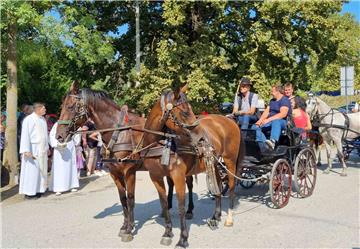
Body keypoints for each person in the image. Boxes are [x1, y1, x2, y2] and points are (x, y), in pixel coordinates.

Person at [19, 102, 49, 199]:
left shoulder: (43, 119)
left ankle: (39, 189)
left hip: (42, 149)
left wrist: (47, 147)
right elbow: (25, 135)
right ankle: (29, 192)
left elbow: (45, 135)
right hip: (32, 148)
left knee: (41, 171)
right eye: (43, 108)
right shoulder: (28, 119)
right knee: (32, 171)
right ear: (37, 109)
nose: (45, 110)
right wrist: (26, 150)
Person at [251, 84, 292, 152]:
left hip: (282, 122)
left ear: (278, 91)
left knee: (276, 121)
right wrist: (260, 121)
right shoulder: (272, 101)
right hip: (270, 121)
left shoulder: (284, 100)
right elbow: (266, 111)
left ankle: (273, 141)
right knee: (254, 127)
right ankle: (264, 144)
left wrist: (268, 120)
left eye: (272, 91)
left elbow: (283, 114)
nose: (271, 93)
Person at [49, 122, 79, 195]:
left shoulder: (72, 124)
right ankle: (58, 187)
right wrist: (57, 144)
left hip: (70, 146)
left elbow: (76, 135)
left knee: (71, 167)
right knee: (59, 168)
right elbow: (51, 135)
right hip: (59, 147)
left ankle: (72, 185)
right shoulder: (57, 124)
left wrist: (76, 142)